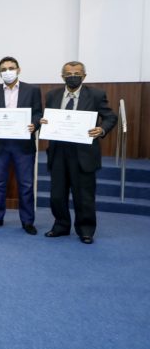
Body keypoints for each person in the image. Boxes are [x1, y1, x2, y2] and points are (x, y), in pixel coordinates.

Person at [41, 61, 116, 244]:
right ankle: (60, 226)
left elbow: (110, 116)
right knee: (57, 194)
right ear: (62, 76)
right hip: (58, 151)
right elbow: (49, 118)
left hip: (83, 153)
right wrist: (45, 122)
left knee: (84, 195)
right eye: (68, 73)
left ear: (84, 75)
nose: (72, 75)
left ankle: (86, 230)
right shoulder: (52, 95)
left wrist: (102, 129)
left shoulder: (96, 95)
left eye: (77, 72)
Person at [0, 56, 42, 235]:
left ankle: (27, 221)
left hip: (23, 145)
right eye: (3, 69)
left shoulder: (32, 90)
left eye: (11, 68)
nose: (7, 71)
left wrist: (34, 124)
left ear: (18, 69)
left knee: (26, 184)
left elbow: (38, 113)